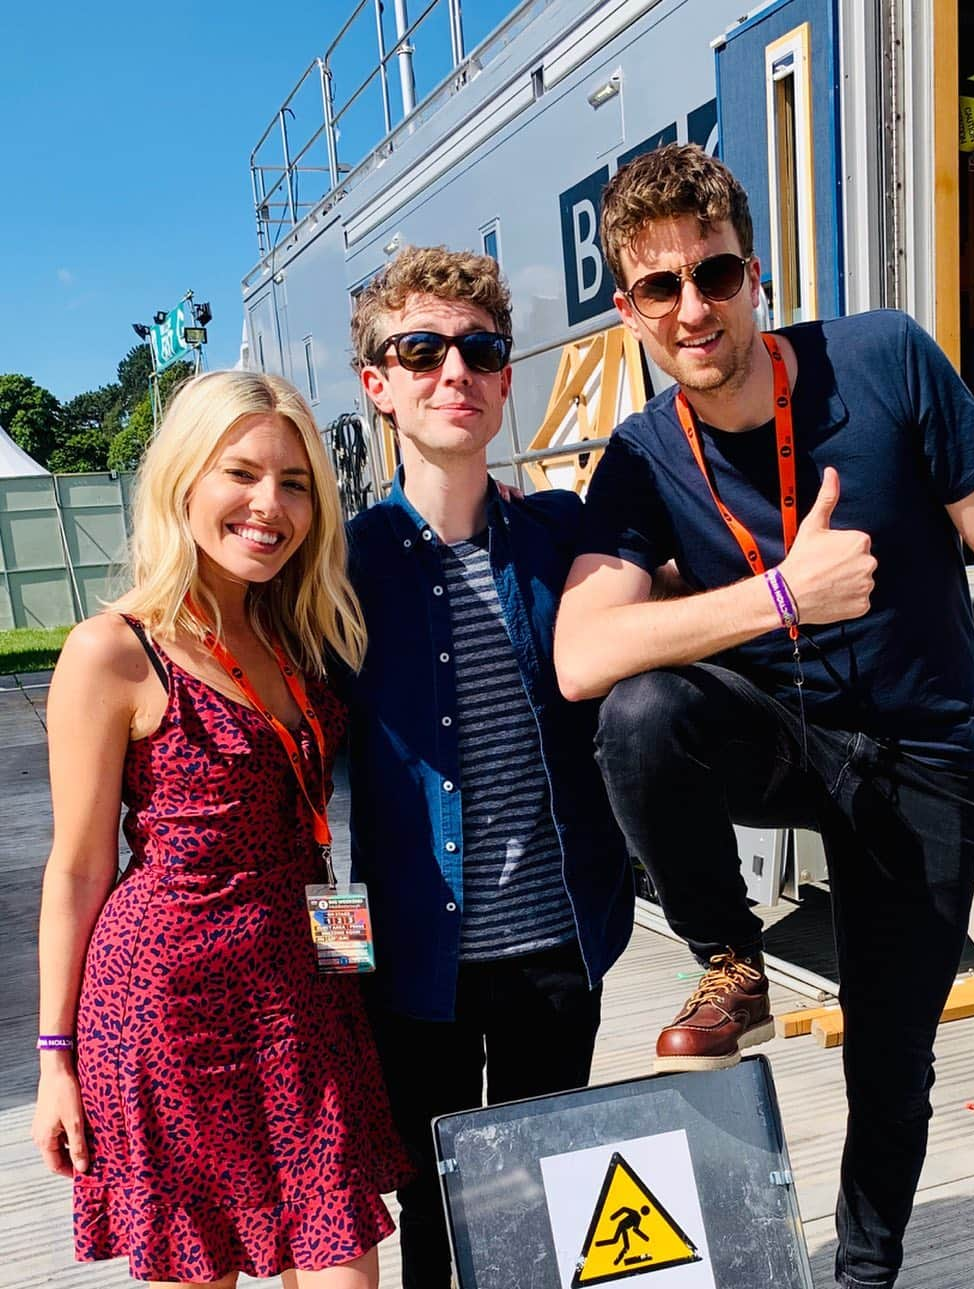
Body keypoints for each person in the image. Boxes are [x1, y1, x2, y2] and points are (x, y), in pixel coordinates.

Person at [553, 143, 974, 1288]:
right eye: (660, 287)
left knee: (890, 1059)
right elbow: (584, 654)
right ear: (628, 309)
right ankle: (728, 955)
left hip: (919, 751)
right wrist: (782, 592)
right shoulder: (638, 457)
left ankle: (862, 1273)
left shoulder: (881, 355)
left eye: (715, 274)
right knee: (640, 714)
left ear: (755, 273)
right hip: (773, 740)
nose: (694, 307)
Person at [32, 371, 411, 1288]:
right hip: (173, 1015)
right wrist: (55, 1060)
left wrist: (348, 983)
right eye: (240, 474)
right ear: (184, 481)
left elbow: (317, 829)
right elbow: (78, 869)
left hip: (305, 1002)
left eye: (294, 483)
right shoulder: (114, 649)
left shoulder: (296, 630)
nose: (268, 506)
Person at [344, 246, 634, 1289]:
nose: (452, 370)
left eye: (479, 348)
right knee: (432, 1213)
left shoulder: (564, 537)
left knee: (544, 1218)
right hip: (409, 969)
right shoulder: (336, 566)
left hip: (560, 947)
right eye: (418, 349)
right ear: (377, 384)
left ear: (509, 378)